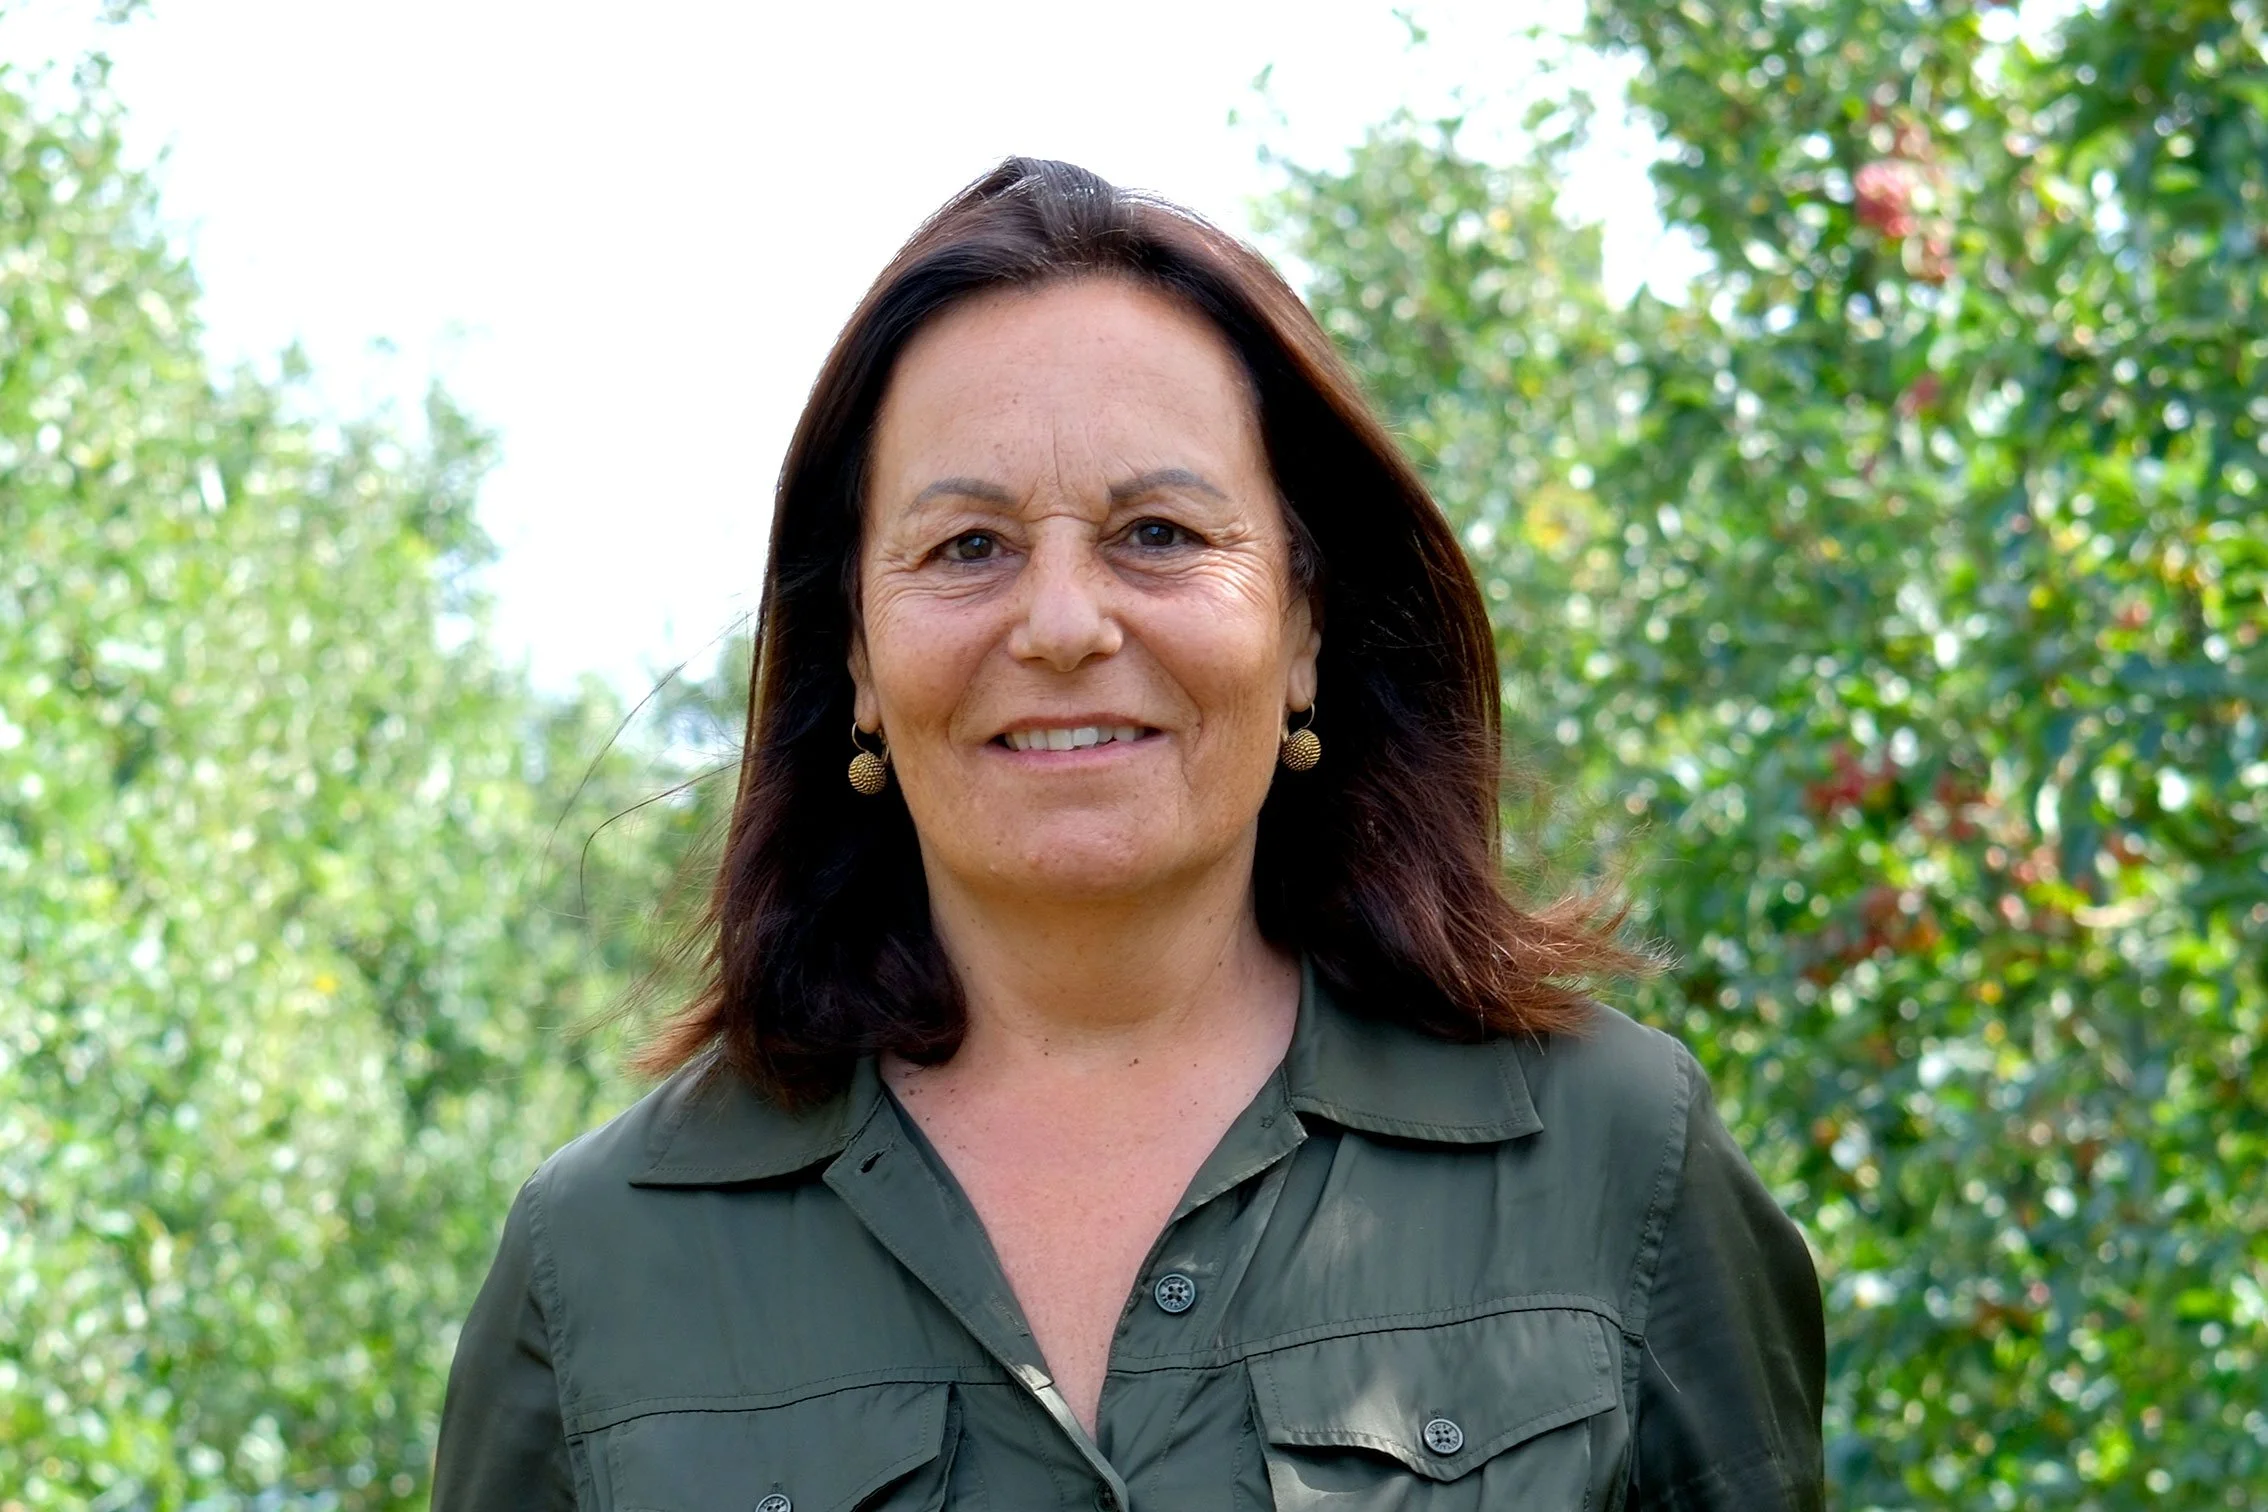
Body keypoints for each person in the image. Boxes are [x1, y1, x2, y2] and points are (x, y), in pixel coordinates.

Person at [432, 157, 1825, 1511]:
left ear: (1305, 623)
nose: (1060, 625)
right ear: (855, 650)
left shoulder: (1613, 1159)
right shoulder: (598, 1260)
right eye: (968, 548)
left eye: (1157, 533)